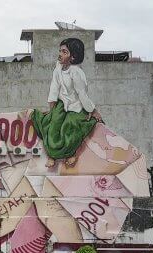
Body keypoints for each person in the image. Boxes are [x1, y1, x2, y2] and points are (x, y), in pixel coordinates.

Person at [30, 38, 103, 168]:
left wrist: (93, 110)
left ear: (73, 57)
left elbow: (82, 94)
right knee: (51, 125)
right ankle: (52, 155)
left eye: (64, 52)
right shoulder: (58, 68)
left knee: (70, 127)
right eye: (60, 51)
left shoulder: (76, 72)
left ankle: (71, 154)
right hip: (61, 104)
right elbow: (54, 86)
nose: (60, 54)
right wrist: (52, 106)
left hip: (76, 106)